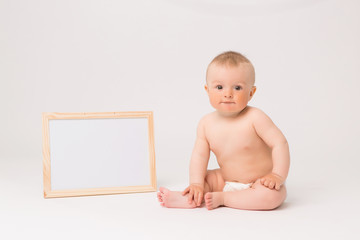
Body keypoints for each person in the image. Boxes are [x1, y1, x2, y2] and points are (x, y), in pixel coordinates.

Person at [157, 51, 290, 210]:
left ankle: (224, 198)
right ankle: (189, 197)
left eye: (237, 87)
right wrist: (197, 183)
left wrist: (277, 175)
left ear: (251, 93)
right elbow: (199, 156)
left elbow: (279, 143)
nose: (228, 94)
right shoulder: (206, 123)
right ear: (207, 90)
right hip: (225, 180)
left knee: (273, 196)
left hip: (260, 182)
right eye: (219, 87)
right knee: (204, 177)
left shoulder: (256, 117)